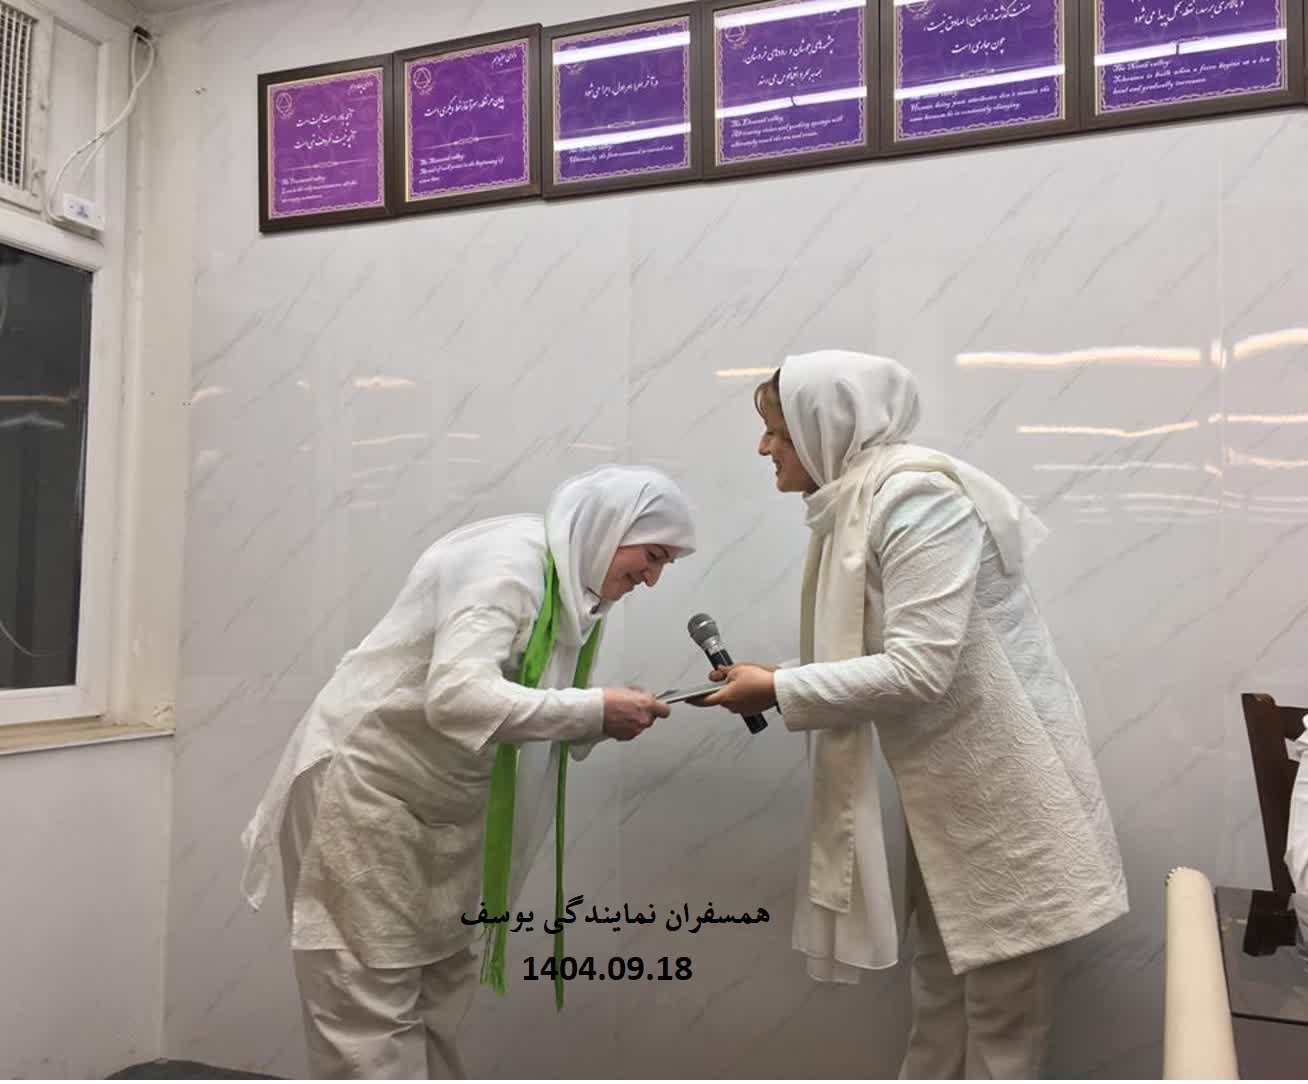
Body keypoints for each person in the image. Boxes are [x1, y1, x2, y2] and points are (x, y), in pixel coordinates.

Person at [699, 351, 1128, 1079]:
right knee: (939, 1009)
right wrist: (778, 679)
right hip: (954, 811)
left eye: (777, 431)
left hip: (1009, 807)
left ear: (827, 427)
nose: (764, 447)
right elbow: (887, 654)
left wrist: (779, 688)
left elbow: (920, 669)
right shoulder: (858, 503)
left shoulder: (917, 499)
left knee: (1001, 1036)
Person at [240, 465, 697, 1079]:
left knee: (441, 998)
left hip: (446, 811)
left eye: (667, 563)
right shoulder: (508, 563)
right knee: (366, 1012)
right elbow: (457, 698)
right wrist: (592, 710)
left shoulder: (577, 594)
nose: (653, 578)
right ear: (609, 527)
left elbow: (535, 705)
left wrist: (605, 716)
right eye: (653, 555)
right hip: (366, 794)